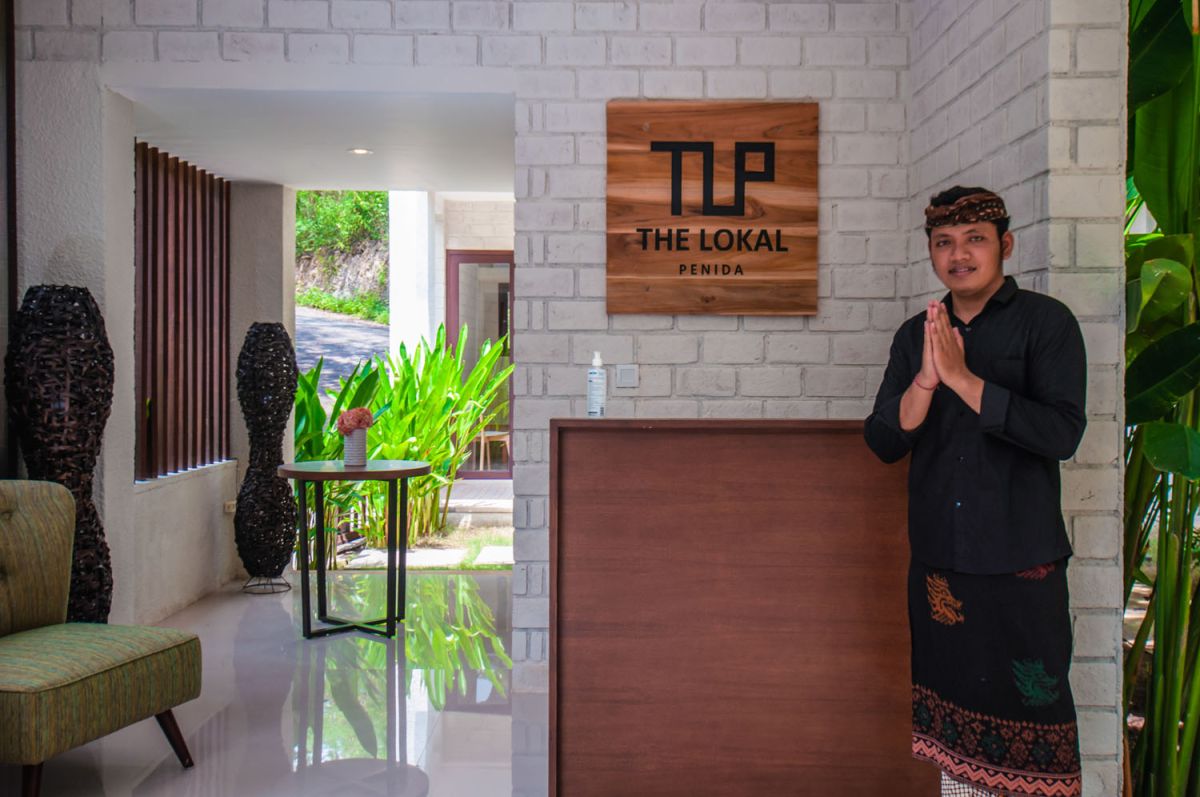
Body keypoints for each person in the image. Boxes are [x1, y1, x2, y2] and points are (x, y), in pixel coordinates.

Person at [863, 187, 1086, 797]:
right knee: (955, 735)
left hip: (1022, 562)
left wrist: (963, 380)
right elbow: (884, 440)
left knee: (1036, 718)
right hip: (942, 564)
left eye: (975, 240)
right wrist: (928, 382)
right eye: (944, 243)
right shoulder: (918, 334)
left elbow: (1062, 434)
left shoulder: (1048, 323)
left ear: (1005, 245)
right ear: (931, 253)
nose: (959, 255)